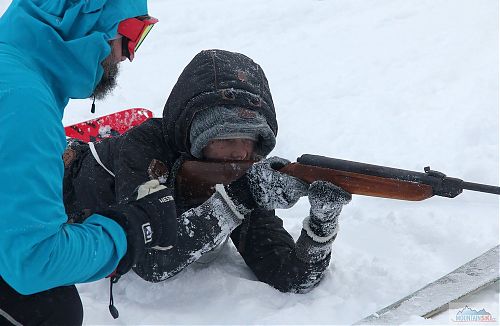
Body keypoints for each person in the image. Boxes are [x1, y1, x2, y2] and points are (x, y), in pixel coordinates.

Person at [63, 49, 352, 294]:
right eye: (226, 139)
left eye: (249, 141)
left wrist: (321, 226)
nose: (240, 153)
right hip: (60, 186)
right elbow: (150, 261)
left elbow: (289, 276)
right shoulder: (144, 146)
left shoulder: (243, 174)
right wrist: (238, 199)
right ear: (196, 136)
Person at [0, 1, 177, 325]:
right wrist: (128, 229)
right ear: (84, 19)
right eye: (132, 33)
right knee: (50, 307)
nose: (128, 54)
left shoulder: (11, 70)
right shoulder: (24, 103)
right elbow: (35, 260)